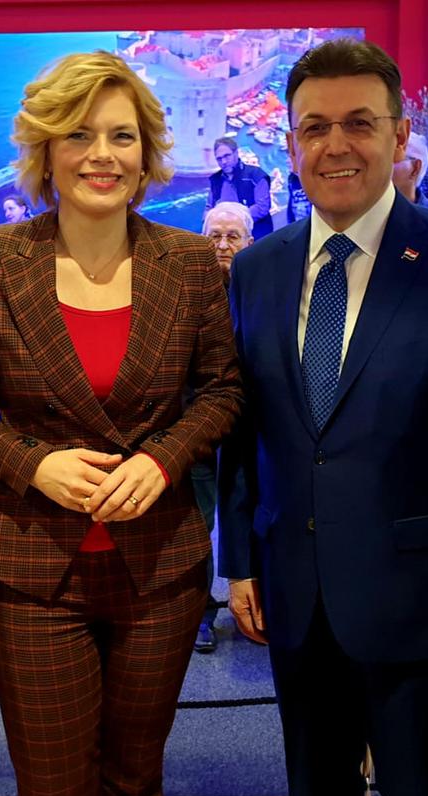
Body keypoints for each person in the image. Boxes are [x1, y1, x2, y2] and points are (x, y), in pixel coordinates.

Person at [0, 51, 242, 796]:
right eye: (79, 134)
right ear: (46, 149)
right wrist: (31, 462)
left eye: (121, 136)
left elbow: (221, 392)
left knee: (136, 785)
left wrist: (162, 459)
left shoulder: (189, 263)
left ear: (146, 153)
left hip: (159, 570)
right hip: (34, 572)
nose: (102, 154)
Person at [218, 38, 428, 796]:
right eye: (314, 127)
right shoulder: (258, 269)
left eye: (358, 122)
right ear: (290, 143)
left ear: (398, 133)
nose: (336, 145)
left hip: (414, 597)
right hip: (292, 587)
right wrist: (239, 557)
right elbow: (244, 427)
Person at [189, 202, 254, 654]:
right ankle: (200, 614)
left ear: (249, 242)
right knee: (196, 525)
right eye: (214, 236)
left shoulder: (265, 287)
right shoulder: (184, 287)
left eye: (232, 237)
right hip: (194, 425)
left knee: (251, 518)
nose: (223, 245)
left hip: (250, 427)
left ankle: (254, 608)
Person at [207, 136, 273, 238]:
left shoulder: (256, 175)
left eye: (227, 156)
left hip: (256, 235)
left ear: (236, 153)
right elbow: (209, 207)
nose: (224, 162)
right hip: (226, 237)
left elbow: (262, 208)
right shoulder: (215, 180)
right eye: (219, 159)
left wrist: (232, 220)